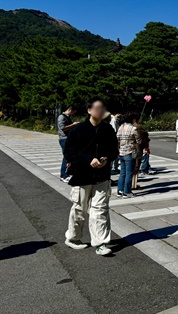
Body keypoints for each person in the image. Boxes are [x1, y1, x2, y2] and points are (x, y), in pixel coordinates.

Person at [63, 96, 118, 256]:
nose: (101, 111)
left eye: (103, 108)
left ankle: (100, 243)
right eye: (97, 108)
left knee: (100, 210)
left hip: (102, 175)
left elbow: (114, 150)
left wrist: (107, 158)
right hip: (82, 175)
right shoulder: (78, 130)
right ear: (89, 110)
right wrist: (88, 160)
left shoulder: (108, 129)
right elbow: (69, 152)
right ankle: (73, 238)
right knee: (79, 209)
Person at [116, 112, 142, 197]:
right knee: (129, 173)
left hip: (121, 152)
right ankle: (127, 192)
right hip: (130, 152)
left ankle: (120, 190)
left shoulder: (120, 127)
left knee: (122, 172)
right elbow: (139, 140)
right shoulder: (133, 128)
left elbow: (117, 138)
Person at [57, 105, 78, 182]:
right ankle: (63, 175)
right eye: (73, 112)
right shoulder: (61, 117)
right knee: (66, 157)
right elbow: (63, 128)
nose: (73, 114)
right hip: (64, 139)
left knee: (69, 157)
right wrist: (73, 125)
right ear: (70, 110)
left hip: (68, 139)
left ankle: (67, 173)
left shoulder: (67, 117)